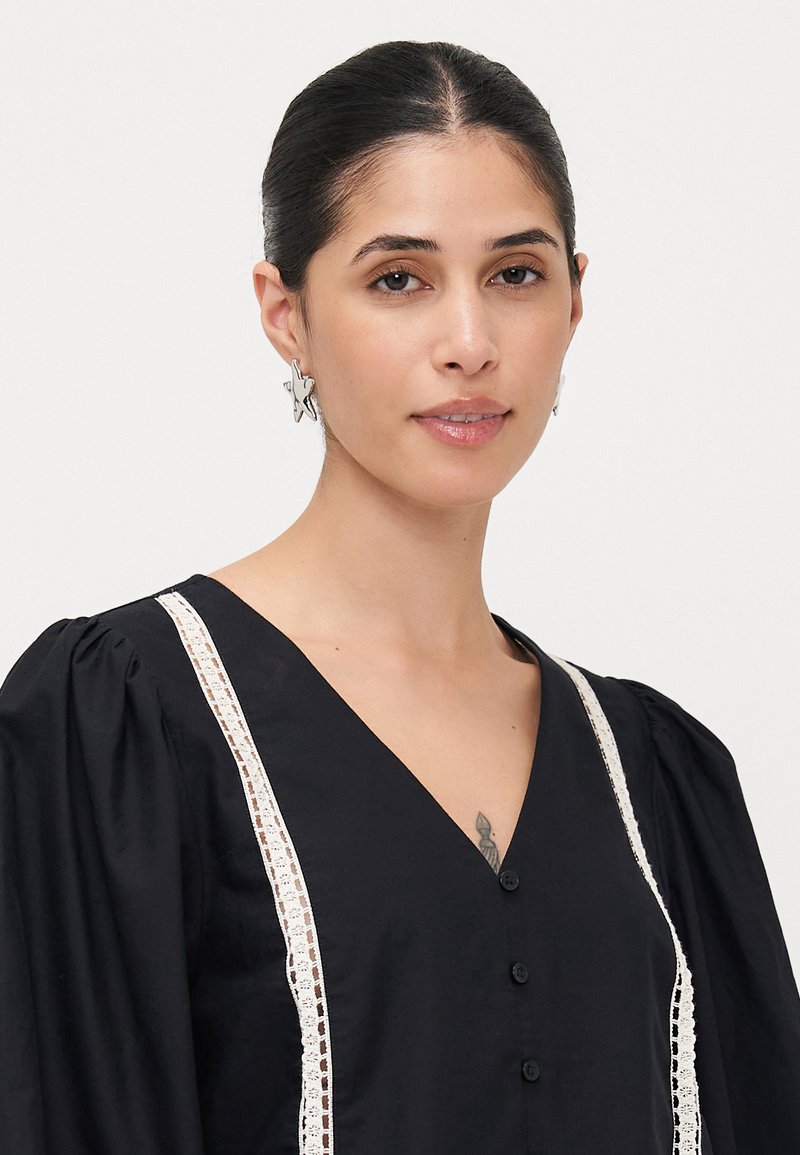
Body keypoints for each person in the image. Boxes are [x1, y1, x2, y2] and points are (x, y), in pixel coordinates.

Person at [1, 38, 798, 1155]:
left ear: (575, 302)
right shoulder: (126, 724)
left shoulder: (659, 778)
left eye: (515, 275)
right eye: (398, 280)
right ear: (285, 312)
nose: (469, 343)